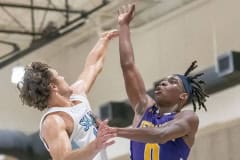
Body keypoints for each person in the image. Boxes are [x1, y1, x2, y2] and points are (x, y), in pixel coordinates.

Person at [114, 4, 209, 160]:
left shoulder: (188, 118)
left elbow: (160, 135)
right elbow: (128, 67)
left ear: (183, 96)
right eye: (163, 81)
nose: (162, 83)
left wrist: (115, 131)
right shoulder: (143, 108)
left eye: (172, 82)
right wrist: (123, 26)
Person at [17, 29, 118, 160]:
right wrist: (95, 146)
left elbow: (93, 66)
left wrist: (104, 40)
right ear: (53, 86)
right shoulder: (53, 121)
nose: (63, 77)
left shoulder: (77, 95)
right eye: (59, 76)